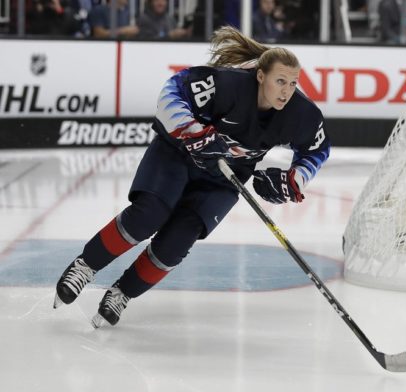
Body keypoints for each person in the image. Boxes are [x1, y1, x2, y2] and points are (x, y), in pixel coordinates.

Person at [53, 26, 330, 328]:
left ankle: (122, 293)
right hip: (177, 154)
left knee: (176, 242)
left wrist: (293, 180)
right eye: (280, 81)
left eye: (293, 83)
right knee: (149, 215)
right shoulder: (229, 84)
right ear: (260, 76)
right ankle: (86, 265)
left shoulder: (301, 113)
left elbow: (317, 150)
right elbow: (171, 92)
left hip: (224, 178)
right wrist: (194, 133)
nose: (287, 91)